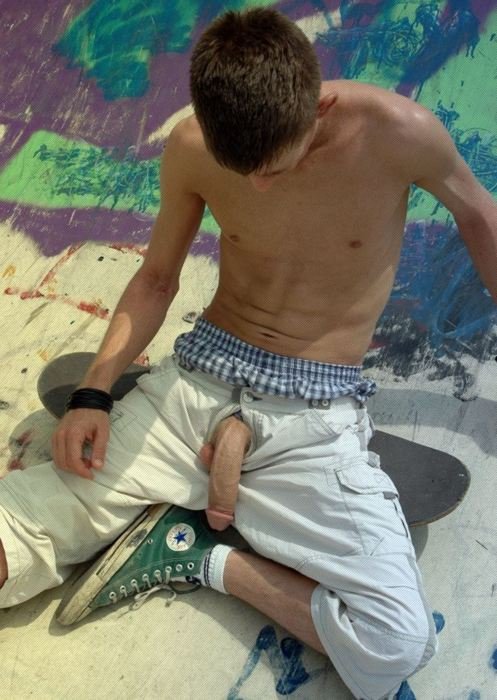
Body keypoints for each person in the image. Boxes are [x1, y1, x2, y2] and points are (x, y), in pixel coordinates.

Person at [0, 8, 495, 700]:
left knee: (395, 642)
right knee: (10, 540)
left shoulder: (399, 133)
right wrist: (93, 392)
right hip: (192, 391)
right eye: (244, 171)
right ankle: (190, 485)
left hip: (309, 420)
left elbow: (478, 215)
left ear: (319, 107)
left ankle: (201, 552)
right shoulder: (191, 145)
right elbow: (157, 278)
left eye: (274, 166)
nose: (259, 187)